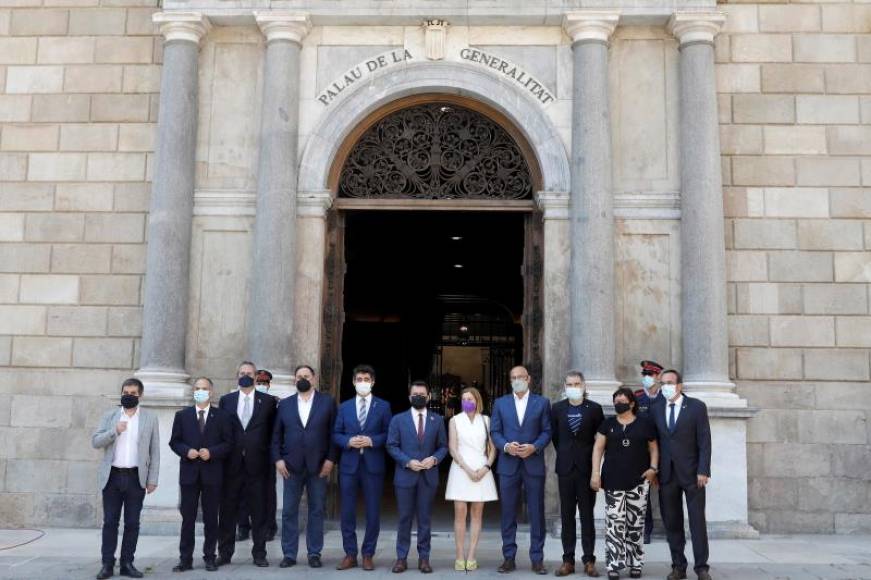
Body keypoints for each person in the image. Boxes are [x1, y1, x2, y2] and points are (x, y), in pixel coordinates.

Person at [92, 378, 160, 580]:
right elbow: (96, 441)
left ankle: (127, 563)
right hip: (112, 476)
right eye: (125, 392)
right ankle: (107, 564)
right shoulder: (110, 416)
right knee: (110, 522)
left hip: (135, 478)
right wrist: (115, 431)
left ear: (140, 395)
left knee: (132, 523)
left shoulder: (149, 417)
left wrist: (152, 478)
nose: (128, 396)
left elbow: (154, 450)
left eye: (133, 393)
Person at [272, 365, 338, 568]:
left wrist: (330, 460)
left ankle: (314, 553)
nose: (303, 379)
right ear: (294, 380)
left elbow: (333, 434)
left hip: (318, 466)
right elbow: (276, 435)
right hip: (290, 466)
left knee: (317, 510)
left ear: (314, 379)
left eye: (306, 376)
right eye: (299, 376)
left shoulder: (327, 402)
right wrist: (278, 459)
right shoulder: (285, 404)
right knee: (289, 511)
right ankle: (289, 554)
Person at [490, 365, 552, 575]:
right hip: (508, 465)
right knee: (508, 513)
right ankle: (508, 557)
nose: (517, 380)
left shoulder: (542, 403)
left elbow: (547, 431)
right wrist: (506, 446)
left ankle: (537, 558)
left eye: (520, 377)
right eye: (513, 377)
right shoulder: (500, 403)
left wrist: (534, 447)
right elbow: (495, 431)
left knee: (536, 512)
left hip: (533, 464)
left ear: (529, 379)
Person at [591, 388, 659, 580]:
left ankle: (635, 564)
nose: (618, 404)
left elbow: (654, 448)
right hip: (613, 481)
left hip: (638, 482)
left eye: (622, 400)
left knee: (635, 524)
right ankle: (613, 565)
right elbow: (598, 449)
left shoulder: (645, 424)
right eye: (616, 401)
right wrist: (595, 473)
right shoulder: (608, 424)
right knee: (614, 524)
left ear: (631, 403)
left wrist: (653, 469)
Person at [650, 370, 712, 580]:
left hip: (693, 474)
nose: (664, 386)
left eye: (668, 382)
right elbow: (654, 443)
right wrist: (654, 469)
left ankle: (702, 567)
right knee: (672, 522)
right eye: (662, 383)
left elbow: (704, 440)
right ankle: (678, 566)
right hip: (666, 475)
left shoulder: (696, 407)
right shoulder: (656, 408)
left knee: (697, 522)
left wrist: (704, 469)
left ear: (679, 386)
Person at [169, 377, 234, 573]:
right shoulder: (182, 415)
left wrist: (212, 452)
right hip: (189, 474)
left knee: (211, 518)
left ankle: (210, 557)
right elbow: (175, 441)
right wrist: (186, 451)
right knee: (187, 518)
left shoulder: (222, 416)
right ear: (193, 391)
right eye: (197, 388)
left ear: (211, 392)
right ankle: (185, 559)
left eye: (204, 388)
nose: (200, 391)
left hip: (212, 474)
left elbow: (228, 443)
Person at [217, 361, 277, 567]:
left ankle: (259, 553)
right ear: (237, 376)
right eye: (242, 373)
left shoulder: (268, 402)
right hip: (231, 465)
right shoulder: (226, 400)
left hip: (258, 464)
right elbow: (222, 431)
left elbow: (273, 433)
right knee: (228, 511)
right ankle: (224, 553)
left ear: (255, 376)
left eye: (249, 373)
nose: (246, 376)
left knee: (259, 510)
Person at [333, 364, 393, 571]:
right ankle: (350, 554)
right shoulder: (344, 407)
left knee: (373, 512)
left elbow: (389, 434)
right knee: (347, 511)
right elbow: (336, 434)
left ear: (373, 382)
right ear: (353, 382)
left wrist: (372, 440)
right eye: (359, 379)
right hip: (349, 466)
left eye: (366, 379)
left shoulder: (383, 406)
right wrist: (348, 441)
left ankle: (368, 553)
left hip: (372, 466)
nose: (363, 382)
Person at [386, 380, 448, 574]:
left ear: (428, 397)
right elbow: (391, 445)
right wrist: (407, 461)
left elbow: (443, 446)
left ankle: (424, 558)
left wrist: (435, 459)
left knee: (425, 519)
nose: (418, 397)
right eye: (415, 394)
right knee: (404, 518)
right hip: (405, 476)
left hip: (428, 477)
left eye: (422, 394)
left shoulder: (437, 420)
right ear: (409, 397)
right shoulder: (398, 419)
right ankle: (401, 558)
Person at [551, 371, 604, 578]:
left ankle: (589, 560)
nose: (573, 386)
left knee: (587, 516)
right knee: (566, 516)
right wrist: (567, 455)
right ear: (565, 386)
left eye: (576, 383)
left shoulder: (595, 409)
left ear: (583, 385)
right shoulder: (557, 409)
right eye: (570, 384)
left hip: (586, 470)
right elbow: (556, 437)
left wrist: (595, 469)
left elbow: (599, 441)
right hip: (565, 469)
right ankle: (568, 560)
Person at [445, 386, 498, 572]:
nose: (467, 402)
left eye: (470, 398)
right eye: (464, 399)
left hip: (482, 469)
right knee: (460, 513)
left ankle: (472, 554)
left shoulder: (486, 420)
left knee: (477, 514)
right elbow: (452, 448)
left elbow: (493, 448)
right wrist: (467, 469)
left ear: (477, 401)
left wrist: (486, 467)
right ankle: (459, 554)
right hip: (461, 468)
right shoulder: (454, 420)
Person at [237, 369, 279, 542]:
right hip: (242, 454)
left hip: (266, 454)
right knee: (242, 491)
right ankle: (243, 526)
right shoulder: (238, 400)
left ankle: (269, 526)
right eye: (259, 382)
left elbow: (277, 429)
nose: (262, 385)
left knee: (267, 492)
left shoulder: (273, 402)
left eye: (265, 383)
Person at [635, 360, 664, 544]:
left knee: (667, 491)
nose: (647, 378)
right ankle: (645, 530)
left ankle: (671, 528)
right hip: (643, 451)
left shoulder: (666, 397)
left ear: (659, 376)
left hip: (666, 451)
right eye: (645, 374)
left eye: (651, 375)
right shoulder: (637, 397)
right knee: (643, 492)